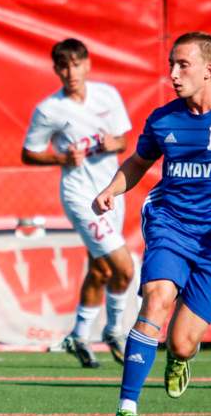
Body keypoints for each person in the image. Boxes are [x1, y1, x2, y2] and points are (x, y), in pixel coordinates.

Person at [94, 32, 211, 416]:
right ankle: (126, 411)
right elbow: (137, 162)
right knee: (157, 297)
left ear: (209, 70)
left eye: (183, 65)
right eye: (171, 64)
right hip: (171, 224)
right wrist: (111, 190)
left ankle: (180, 357)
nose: (172, 73)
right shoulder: (164, 119)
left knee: (182, 341)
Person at [22, 38, 135, 368]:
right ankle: (115, 331)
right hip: (80, 196)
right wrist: (60, 158)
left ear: (87, 65)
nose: (71, 72)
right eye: (64, 66)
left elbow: (124, 140)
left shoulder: (107, 96)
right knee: (124, 268)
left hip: (111, 192)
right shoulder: (49, 110)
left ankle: (79, 335)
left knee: (100, 269)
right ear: (56, 70)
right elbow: (28, 153)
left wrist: (115, 142)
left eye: (76, 64)